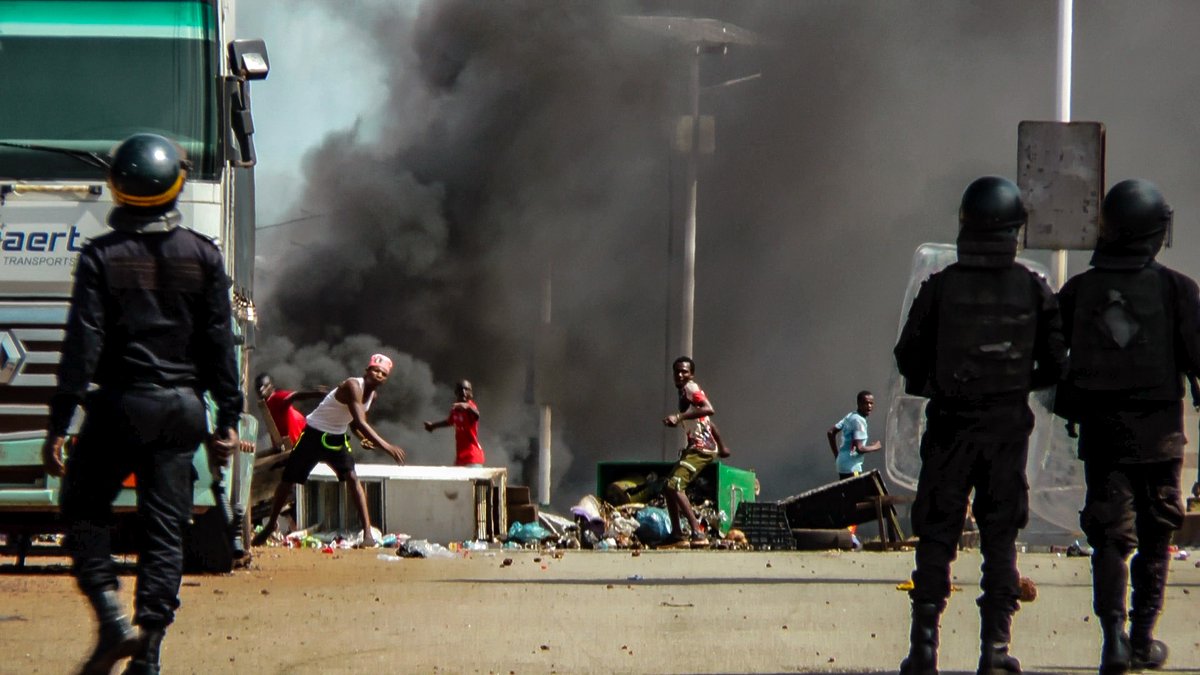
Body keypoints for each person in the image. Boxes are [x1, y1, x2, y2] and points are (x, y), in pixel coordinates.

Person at [40, 133, 243, 675]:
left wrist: (59, 422)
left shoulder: (101, 256)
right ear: (175, 186)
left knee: (81, 509)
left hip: (119, 406)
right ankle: (148, 653)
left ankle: (111, 621)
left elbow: (82, 346)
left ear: (117, 187)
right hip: (181, 412)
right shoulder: (204, 256)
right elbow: (220, 345)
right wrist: (227, 417)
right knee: (164, 531)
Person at [893, 176, 1067, 675]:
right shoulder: (1033, 288)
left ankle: (924, 650)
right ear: (1014, 229)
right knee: (1000, 540)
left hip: (949, 429)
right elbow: (1056, 363)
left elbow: (908, 357)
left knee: (936, 539)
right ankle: (994, 650)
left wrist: (939, 386)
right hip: (1006, 432)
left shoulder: (940, 285)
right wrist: (1015, 386)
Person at [1054, 179, 1199, 674]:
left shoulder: (1079, 290)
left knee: (1110, 538)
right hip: (1160, 436)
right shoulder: (1177, 289)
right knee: (1157, 538)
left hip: (1103, 435)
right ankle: (1141, 639)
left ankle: (1112, 639)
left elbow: (1049, 356)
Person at [251, 355, 405, 548]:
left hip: (336, 438)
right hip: (314, 434)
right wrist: (387, 447)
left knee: (352, 478)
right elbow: (360, 422)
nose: (379, 375)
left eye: (383, 374)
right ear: (367, 371)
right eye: (375, 370)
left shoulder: (372, 396)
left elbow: (354, 423)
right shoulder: (352, 386)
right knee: (288, 479)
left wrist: (362, 439)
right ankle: (270, 525)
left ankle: (367, 532)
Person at [661, 356, 731, 547]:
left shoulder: (691, 388)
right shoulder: (685, 394)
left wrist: (679, 417)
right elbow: (708, 422)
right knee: (668, 487)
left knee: (675, 485)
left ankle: (697, 533)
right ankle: (677, 534)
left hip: (701, 449)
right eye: (677, 371)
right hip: (698, 447)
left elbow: (709, 409)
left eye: (684, 371)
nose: (680, 375)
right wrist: (722, 446)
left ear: (691, 374)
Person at [255, 372, 327, 452]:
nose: (261, 389)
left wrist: (315, 394)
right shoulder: (267, 402)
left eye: (265, 386)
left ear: (272, 386)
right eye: (259, 387)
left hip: (296, 442)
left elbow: (294, 396)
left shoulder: (276, 398)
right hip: (290, 444)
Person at [423, 379, 485, 467]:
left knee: (473, 475)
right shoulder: (455, 409)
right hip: (461, 457)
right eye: (460, 389)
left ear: (471, 393)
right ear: (456, 392)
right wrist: (433, 426)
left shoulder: (471, 406)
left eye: (466, 389)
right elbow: (449, 421)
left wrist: (467, 407)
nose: (463, 392)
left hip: (473, 456)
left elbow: (477, 415)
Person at [826, 390, 883, 480]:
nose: (869, 406)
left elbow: (831, 432)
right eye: (866, 403)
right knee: (857, 487)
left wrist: (838, 455)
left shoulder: (851, 416)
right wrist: (876, 446)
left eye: (871, 403)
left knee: (848, 488)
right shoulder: (858, 421)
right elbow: (859, 449)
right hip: (852, 468)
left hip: (842, 464)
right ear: (859, 403)